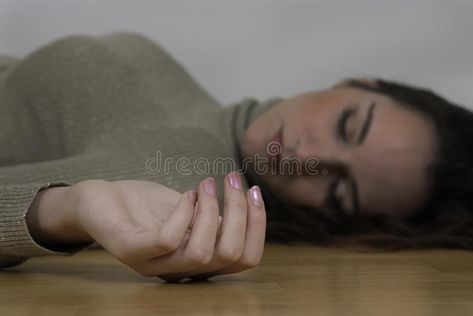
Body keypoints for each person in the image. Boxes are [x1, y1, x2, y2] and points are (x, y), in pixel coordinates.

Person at [0, 32, 471, 282]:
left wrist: (61, 210)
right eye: (348, 124)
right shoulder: (198, 117)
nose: (307, 155)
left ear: (333, 219)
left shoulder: (188, 173)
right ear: (357, 83)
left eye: (339, 188)